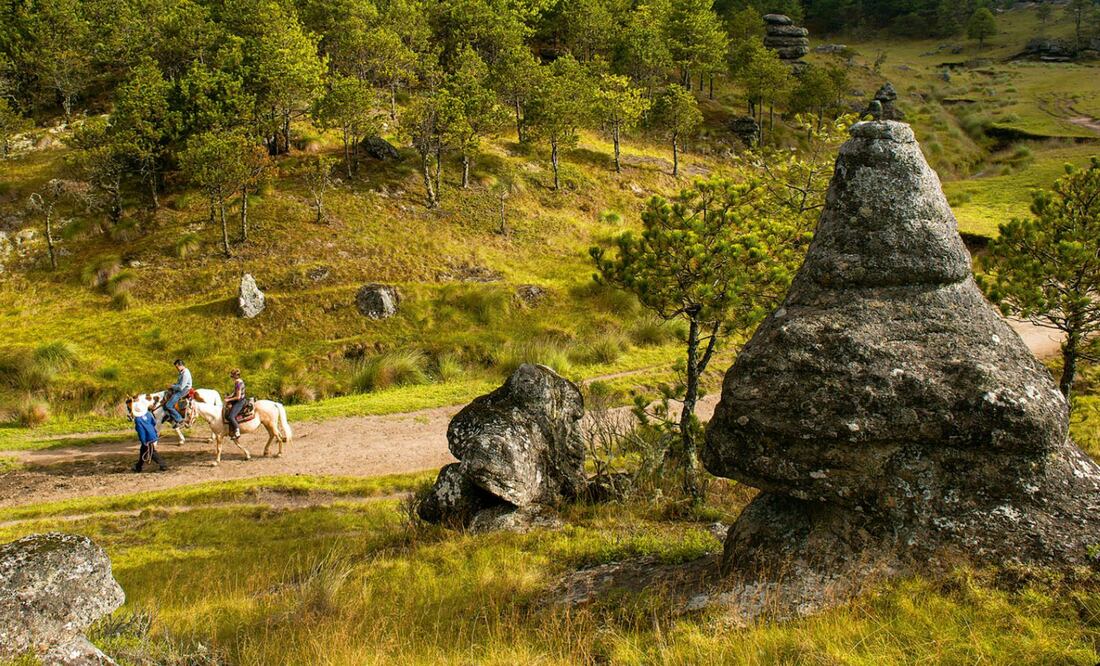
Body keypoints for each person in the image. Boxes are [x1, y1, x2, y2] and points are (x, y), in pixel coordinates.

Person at [133, 407, 167, 472]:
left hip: (147, 438)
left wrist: (143, 441)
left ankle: (163, 465)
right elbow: (154, 422)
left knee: (152, 453)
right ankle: (138, 467)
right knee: (143, 451)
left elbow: (141, 431)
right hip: (153, 434)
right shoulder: (148, 414)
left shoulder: (138, 419)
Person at [164, 359, 192, 426]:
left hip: (184, 390)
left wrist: (172, 386)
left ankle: (180, 420)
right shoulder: (182, 372)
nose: (177, 368)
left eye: (177, 367)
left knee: (168, 405)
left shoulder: (185, 374)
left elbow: (181, 387)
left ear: (181, 365)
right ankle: (172, 417)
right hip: (181, 388)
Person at [225, 368, 247, 439]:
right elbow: (234, 393)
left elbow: (238, 396)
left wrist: (228, 399)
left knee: (231, 416)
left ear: (235, 376)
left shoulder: (238, 383)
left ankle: (237, 431)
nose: (232, 378)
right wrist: (229, 396)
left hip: (240, 401)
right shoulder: (239, 381)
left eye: (232, 376)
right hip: (239, 400)